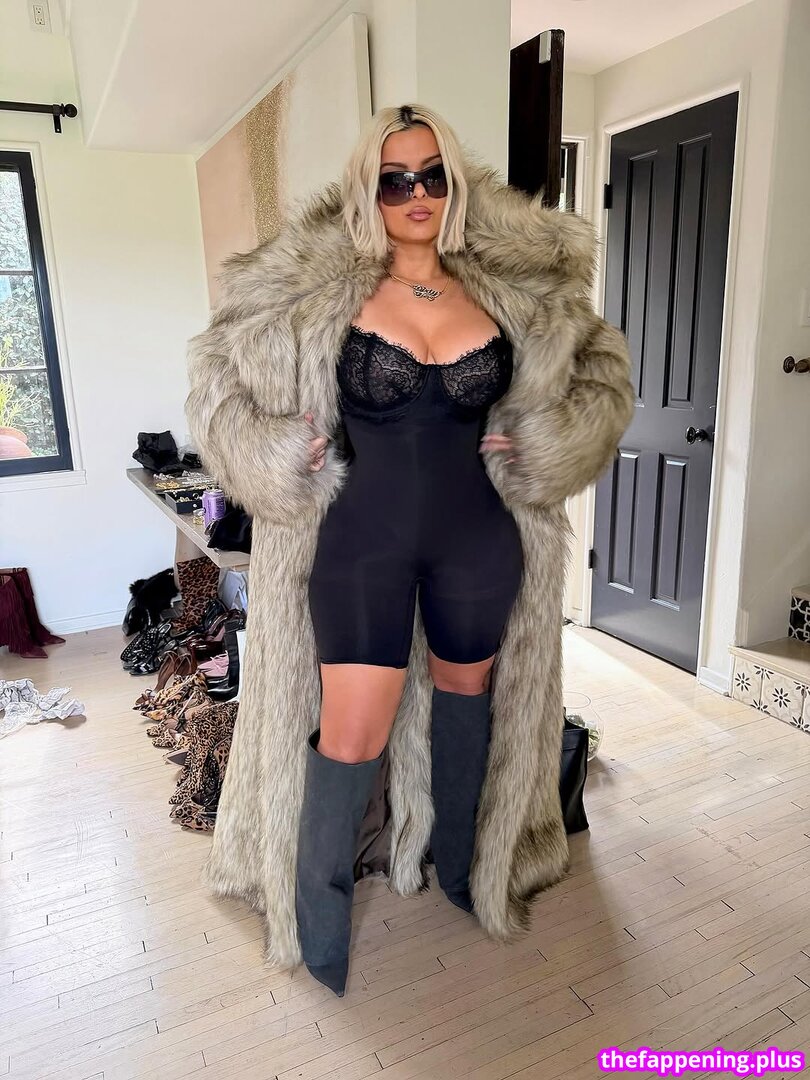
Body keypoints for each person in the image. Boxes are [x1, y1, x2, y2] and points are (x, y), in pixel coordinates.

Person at [185, 103, 634, 999]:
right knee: (353, 728)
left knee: (470, 704)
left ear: (453, 183)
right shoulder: (318, 292)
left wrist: (543, 437)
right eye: (395, 180)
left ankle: (464, 869)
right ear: (370, 191)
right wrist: (277, 451)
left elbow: (600, 379)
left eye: (432, 175)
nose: (416, 193)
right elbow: (218, 388)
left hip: (480, 541)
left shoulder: (509, 293)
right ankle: (316, 928)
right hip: (362, 544)